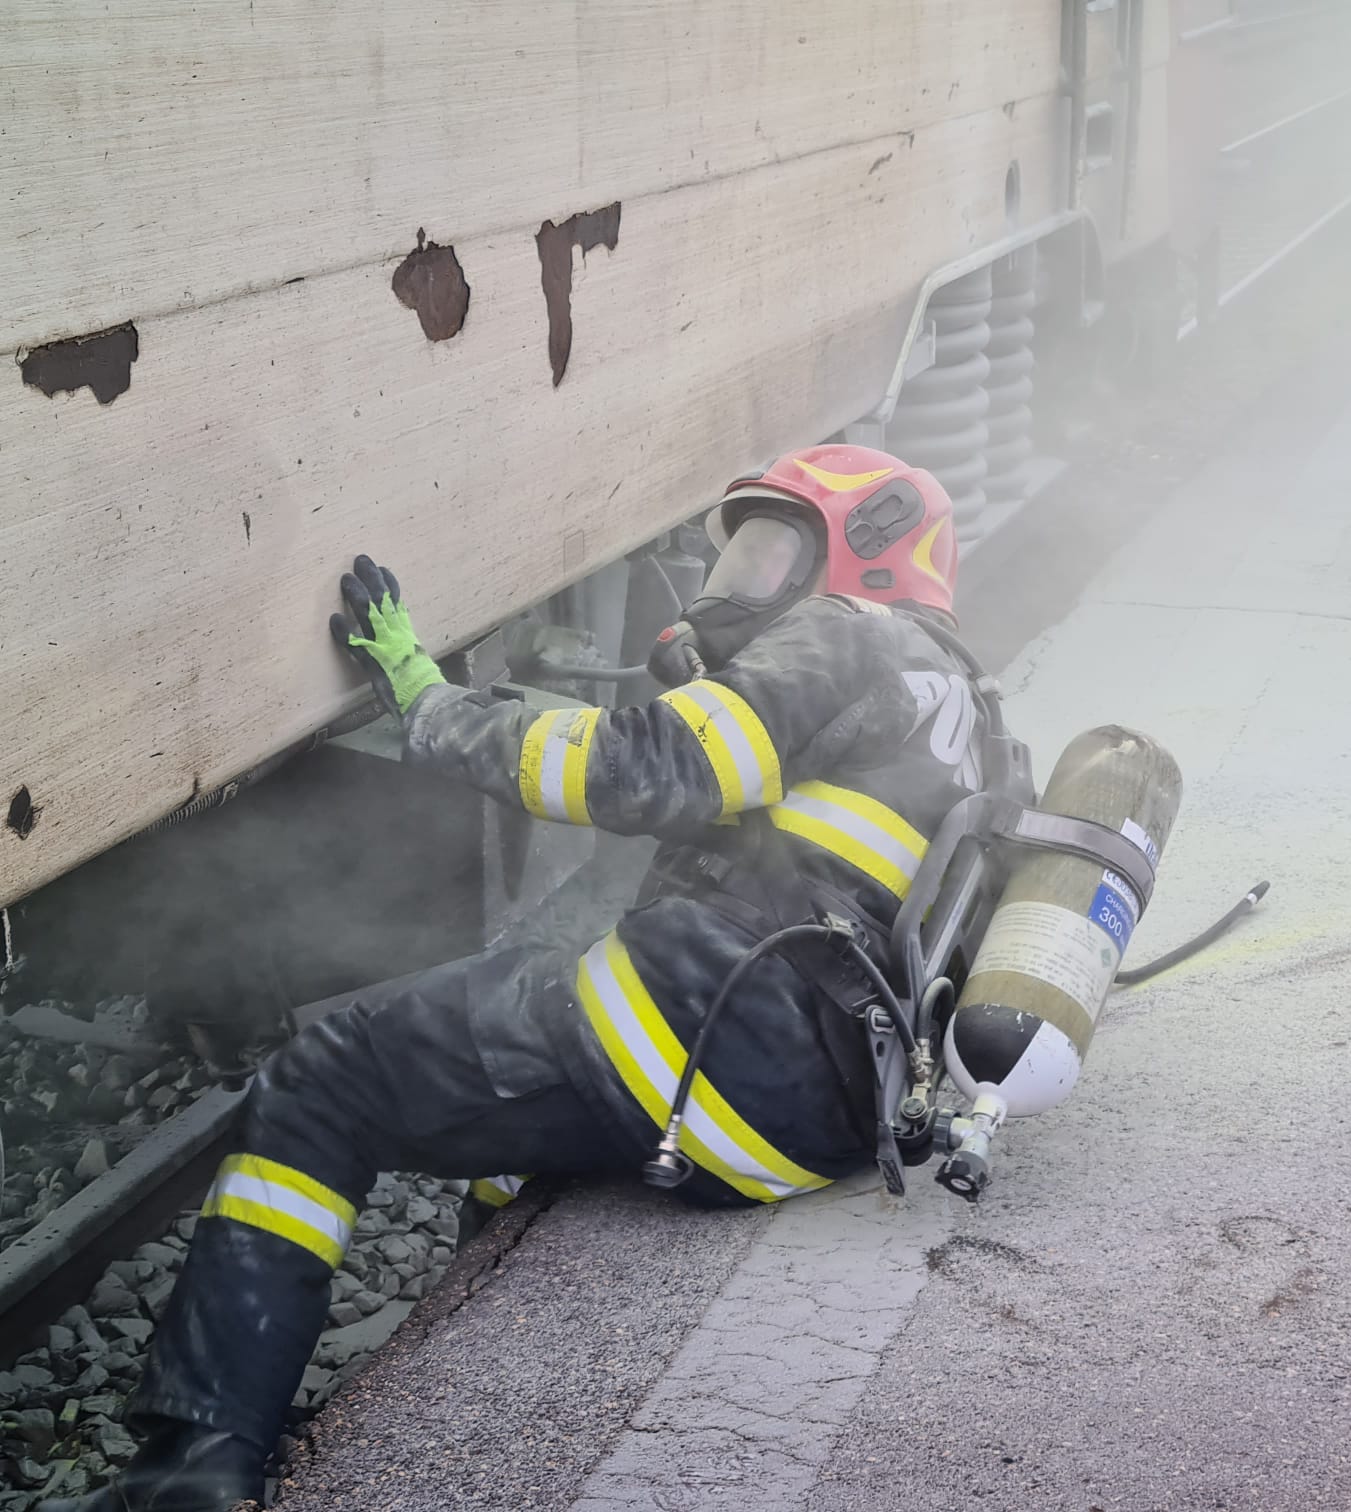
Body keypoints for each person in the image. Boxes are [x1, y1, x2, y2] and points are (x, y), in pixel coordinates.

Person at [55, 445, 981, 1511]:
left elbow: (639, 767)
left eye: (775, 553)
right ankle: (455, 1334)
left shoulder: (852, 635)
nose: (741, 584)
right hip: (825, 1115)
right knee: (510, 1113)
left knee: (324, 1081)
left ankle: (190, 1467)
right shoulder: (976, 715)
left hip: (700, 1045)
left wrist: (430, 703)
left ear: (868, 560)